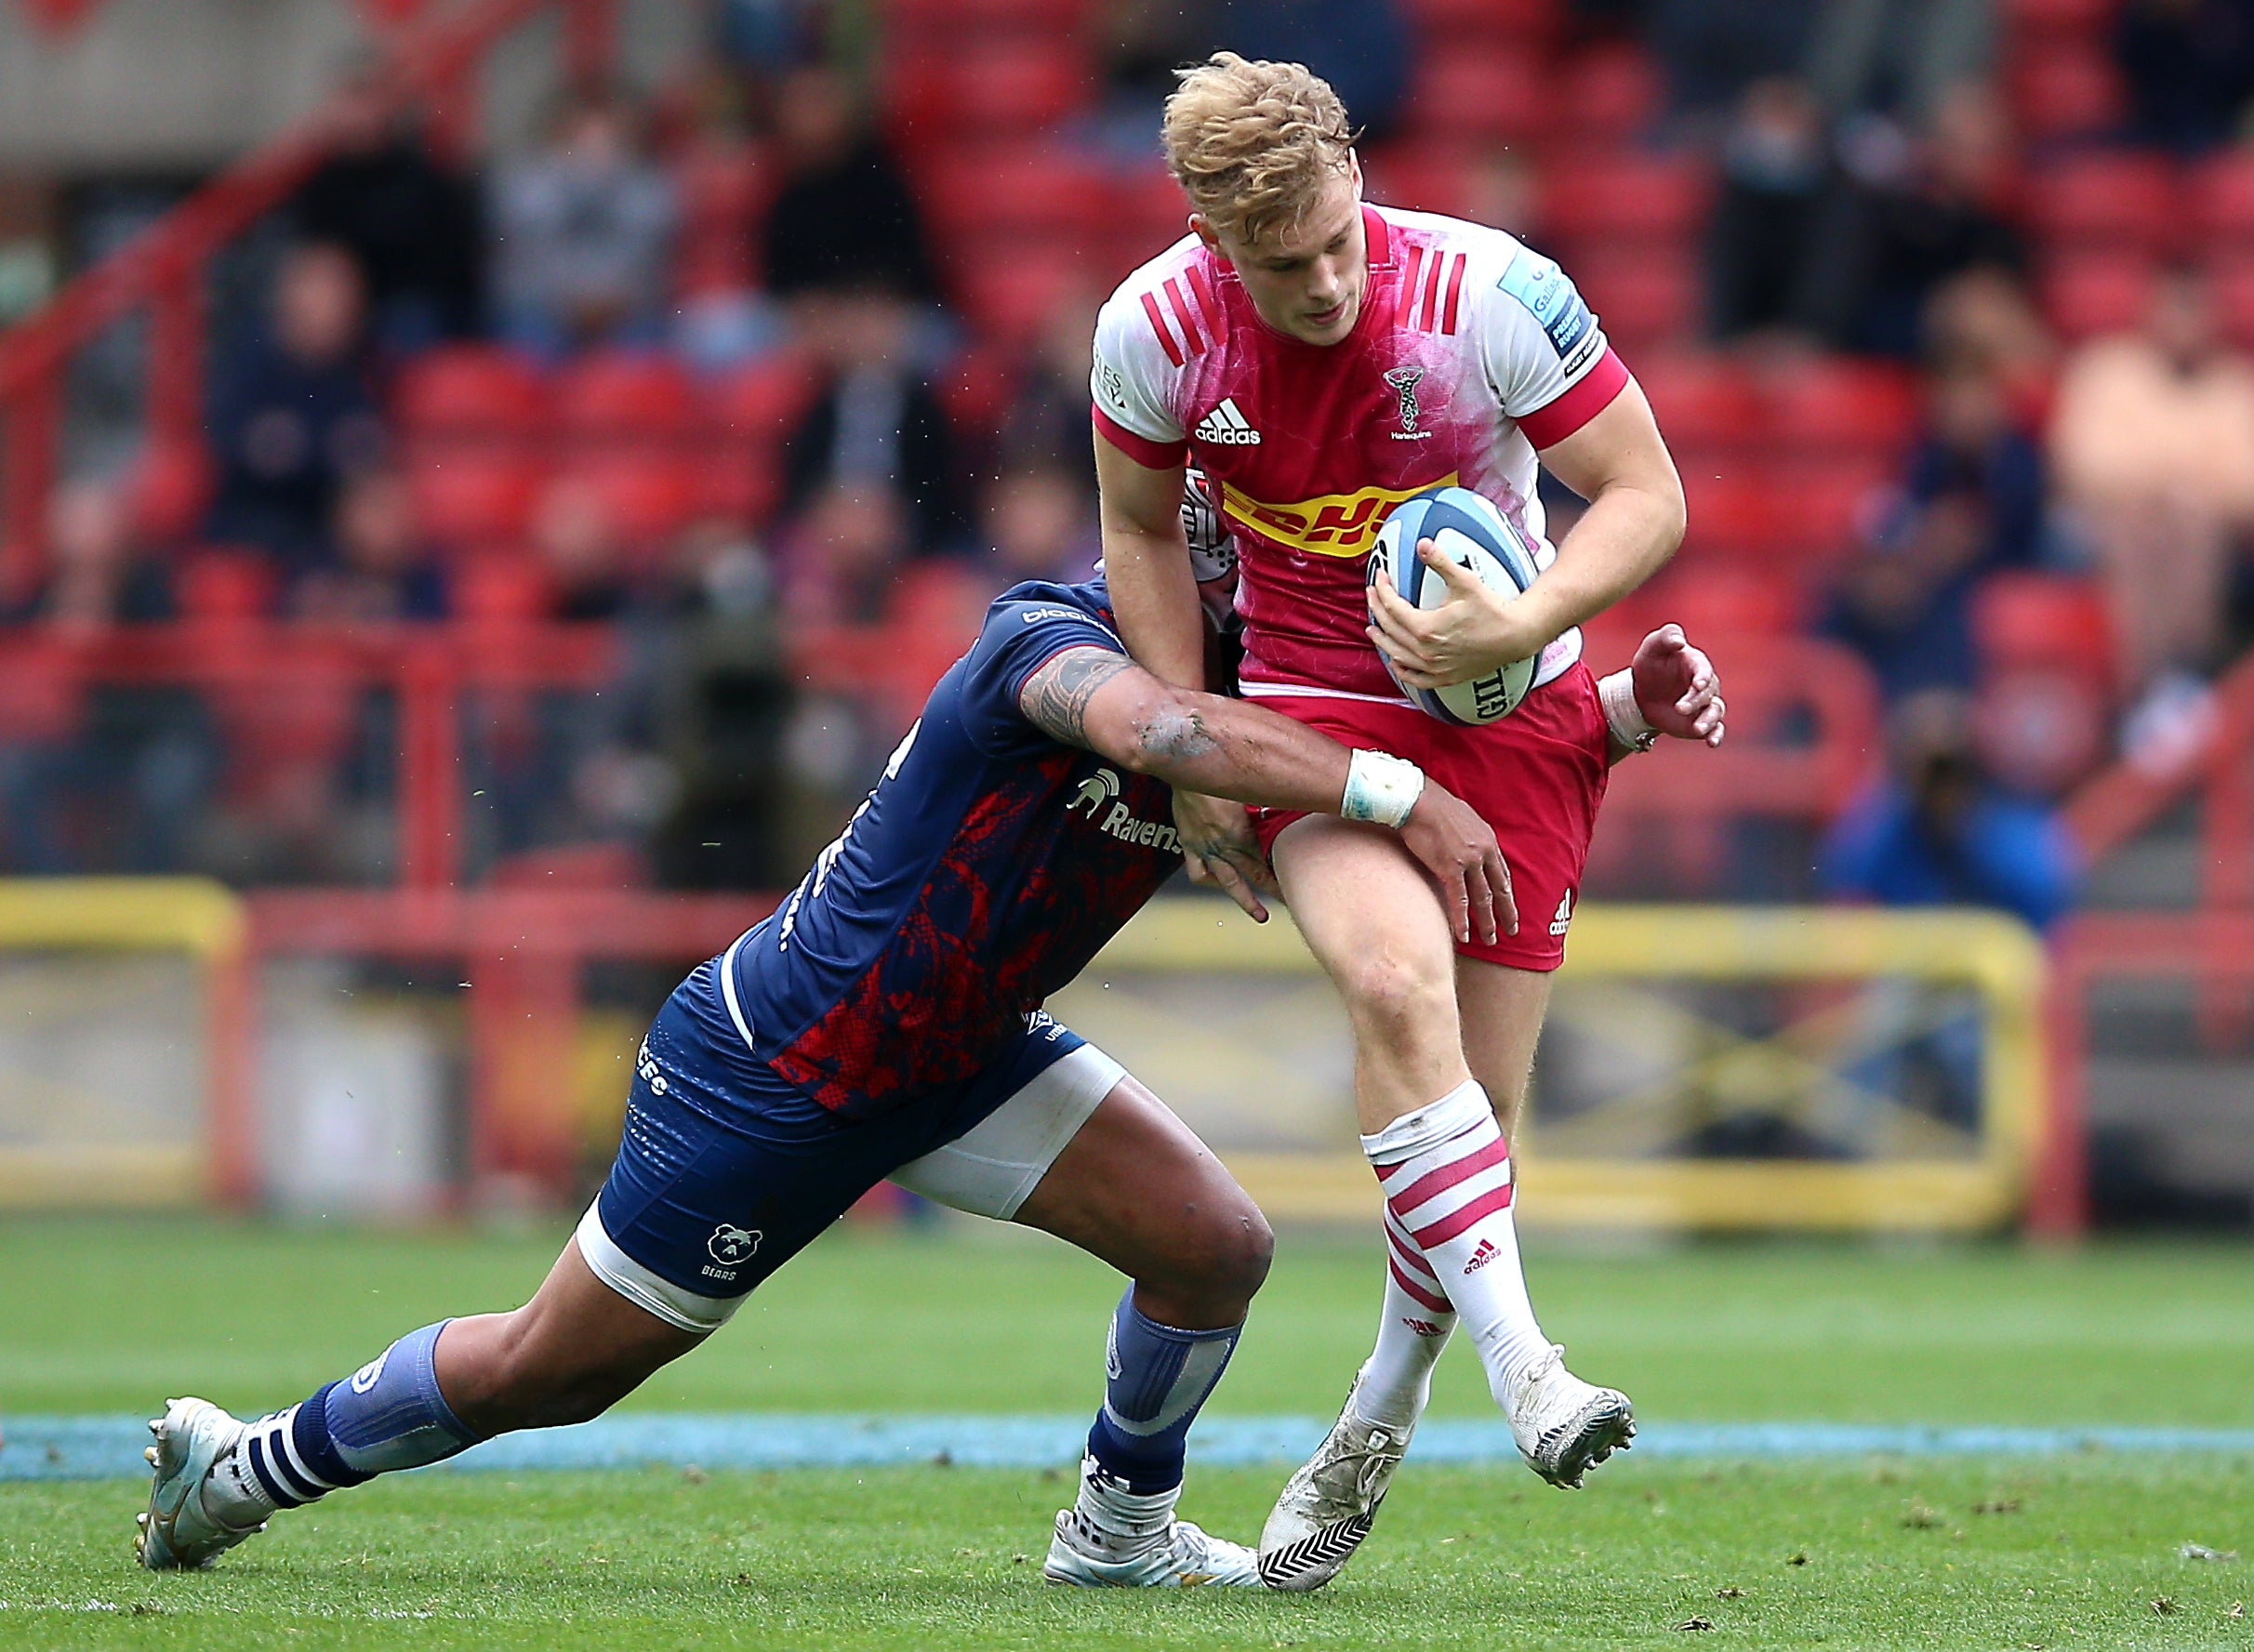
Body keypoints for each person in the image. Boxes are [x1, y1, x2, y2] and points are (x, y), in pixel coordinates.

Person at [134, 561, 1531, 1589]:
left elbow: (1414, 738)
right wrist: (1389, 787)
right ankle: (241, 1466)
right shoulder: (1046, 635)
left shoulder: (1259, 703)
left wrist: (1616, 706)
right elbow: (1160, 738)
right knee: (545, 1372)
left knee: (1214, 1246)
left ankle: (1117, 1533)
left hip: (962, 1056)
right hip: (779, 1063)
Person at [1088, 54, 1697, 1589]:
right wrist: (1195, 747)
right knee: (1391, 984)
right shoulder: (1153, 335)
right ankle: (1534, 1372)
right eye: (1284, 264)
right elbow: (1137, 529)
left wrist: (1529, 623)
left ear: (1361, 179)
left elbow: (1644, 492)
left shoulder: (1490, 291)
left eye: (1341, 238)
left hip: (1516, 718)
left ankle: (1377, 1411)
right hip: (1317, 721)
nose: (1326, 280)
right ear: (1215, 245)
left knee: (1469, 1130)